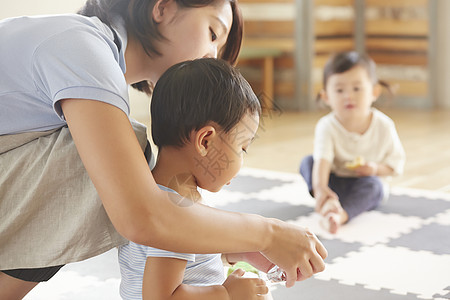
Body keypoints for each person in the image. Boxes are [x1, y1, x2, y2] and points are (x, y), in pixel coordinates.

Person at [0, 0, 327, 298]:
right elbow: (142, 217)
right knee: (118, 156)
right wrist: (267, 234)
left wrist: (238, 245)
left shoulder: (93, 53)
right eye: (213, 32)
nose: (213, 55)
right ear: (164, 7)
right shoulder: (81, 46)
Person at [119, 58, 273, 300]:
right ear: (205, 141)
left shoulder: (164, 196)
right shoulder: (176, 213)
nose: (242, 159)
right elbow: (160, 297)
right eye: (242, 148)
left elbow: (192, 263)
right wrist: (226, 294)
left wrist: (240, 253)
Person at [299, 51, 406, 234]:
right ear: (326, 97)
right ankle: (326, 201)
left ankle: (341, 215)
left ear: (374, 92)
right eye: (339, 90)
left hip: (363, 184)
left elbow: (395, 166)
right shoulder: (327, 125)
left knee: (376, 187)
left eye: (356, 89)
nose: (348, 96)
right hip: (333, 181)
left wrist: (374, 169)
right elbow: (323, 161)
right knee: (308, 162)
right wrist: (321, 188)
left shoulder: (384, 125)